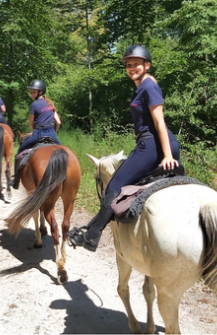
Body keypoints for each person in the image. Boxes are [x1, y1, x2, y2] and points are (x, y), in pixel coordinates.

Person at [68, 45, 182, 252]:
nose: (131, 68)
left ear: (146, 65)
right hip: (154, 143)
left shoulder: (148, 87)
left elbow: (159, 122)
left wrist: (166, 155)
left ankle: (91, 236)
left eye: (136, 64)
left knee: (114, 186)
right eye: (128, 65)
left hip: (153, 143)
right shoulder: (143, 86)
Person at [15, 79, 62, 155]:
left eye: (34, 92)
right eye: (31, 92)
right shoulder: (50, 103)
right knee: (63, 151)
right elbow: (58, 122)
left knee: (20, 151)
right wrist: (53, 132)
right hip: (52, 134)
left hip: (38, 134)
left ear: (41, 92)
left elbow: (30, 124)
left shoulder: (34, 105)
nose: (32, 94)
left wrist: (36, 131)